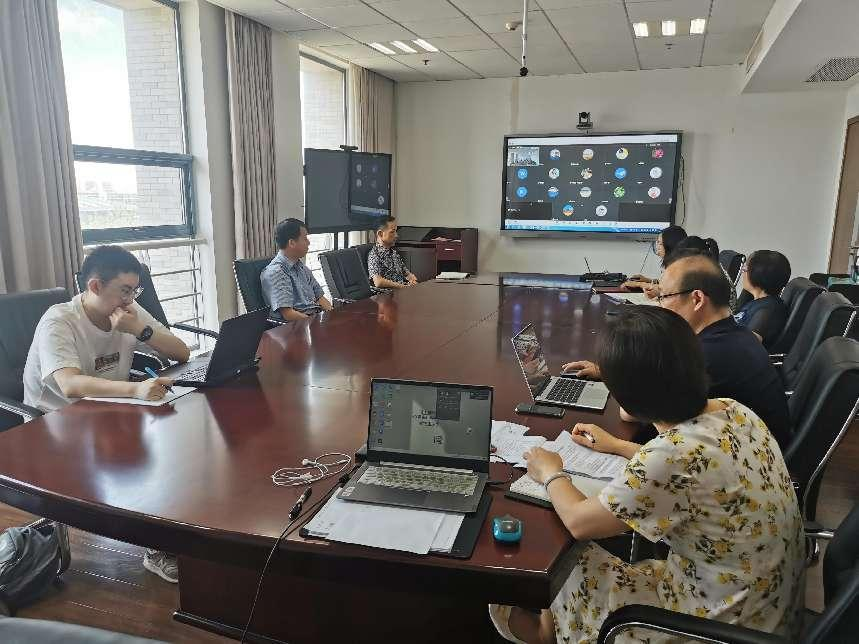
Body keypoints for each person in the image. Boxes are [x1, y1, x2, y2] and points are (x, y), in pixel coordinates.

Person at [490, 307, 804, 644]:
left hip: (715, 626)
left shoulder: (672, 457)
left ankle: (547, 634)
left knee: (564, 562)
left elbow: (580, 522)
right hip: (764, 608)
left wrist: (551, 472)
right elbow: (693, 469)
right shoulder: (732, 409)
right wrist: (618, 446)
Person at [23, 245, 191, 584]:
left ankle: (182, 531)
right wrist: (135, 390)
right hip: (55, 423)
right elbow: (70, 385)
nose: (130, 299)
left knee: (179, 439)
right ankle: (158, 546)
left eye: (135, 291)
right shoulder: (60, 321)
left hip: (108, 411)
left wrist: (141, 331)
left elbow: (182, 351)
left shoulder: (127, 311)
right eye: (124, 291)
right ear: (95, 286)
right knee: (146, 462)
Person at [565, 252, 791, 446]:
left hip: (739, 465)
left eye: (664, 296)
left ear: (697, 299)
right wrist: (605, 370)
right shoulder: (734, 334)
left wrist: (616, 372)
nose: (659, 304)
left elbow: (632, 412)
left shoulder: (706, 355)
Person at [261, 218, 333, 321]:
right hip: (297, 326)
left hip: (313, 319)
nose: (308, 242)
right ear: (292, 243)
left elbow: (320, 297)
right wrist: (316, 323)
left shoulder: (301, 267)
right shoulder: (276, 272)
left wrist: (332, 315)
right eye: (305, 238)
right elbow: (288, 314)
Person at [734, 250, 791, 349]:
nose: (743, 271)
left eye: (745, 268)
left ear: (757, 275)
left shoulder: (769, 309)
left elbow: (746, 346)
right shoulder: (757, 301)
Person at [622, 224, 686, 293]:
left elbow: (665, 289)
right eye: (657, 242)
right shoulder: (674, 263)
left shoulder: (680, 267)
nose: (657, 246)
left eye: (660, 243)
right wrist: (647, 280)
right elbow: (665, 282)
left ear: (670, 246)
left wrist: (639, 284)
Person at [367, 215, 418, 289]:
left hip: (402, 290)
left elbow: (406, 273)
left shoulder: (394, 253)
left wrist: (412, 279)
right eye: (392, 232)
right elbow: (378, 282)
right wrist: (403, 287)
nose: (396, 235)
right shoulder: (374, 255)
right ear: (380, 234)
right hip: (388, 294)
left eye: (396, 231)